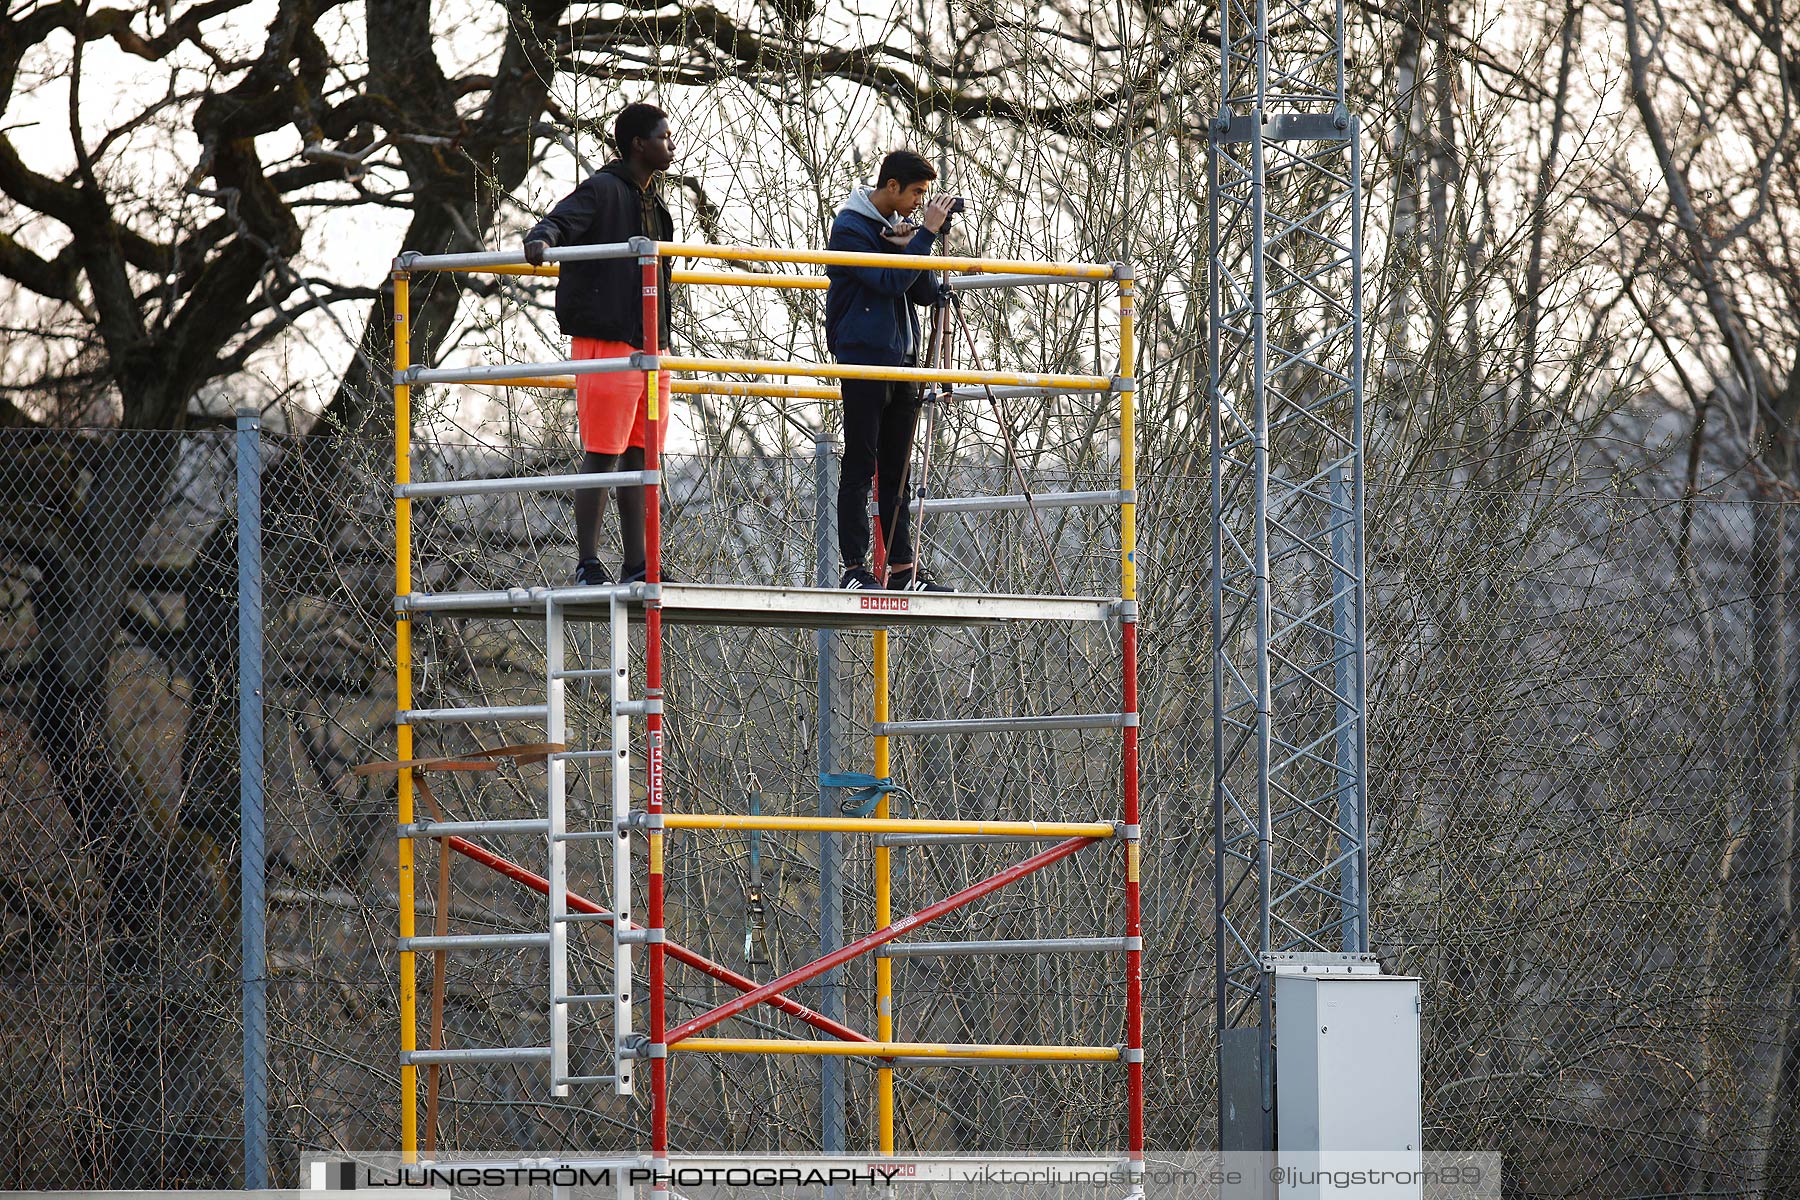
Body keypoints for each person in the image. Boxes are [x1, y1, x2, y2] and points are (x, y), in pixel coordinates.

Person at [523, 103, 676, 585]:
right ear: (638, 144)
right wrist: (540, 239)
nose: (671, 146)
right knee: (604, 451)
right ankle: (587, 562)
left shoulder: (656, 203)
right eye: (664, 137)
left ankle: (638, 564)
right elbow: (559, 221)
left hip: (652, 349)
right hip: (609, 344)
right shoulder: (604, 189)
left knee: (640, 455)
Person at [824, 150, 958, 593]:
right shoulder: (850, 228)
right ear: (892, 186)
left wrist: (918, 241)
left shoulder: (893, 231)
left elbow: (920, 291)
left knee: (897, 471)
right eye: (917, 192)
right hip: (864, 357)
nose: (921, 203)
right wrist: (919, 239)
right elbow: (886, 281)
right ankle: (854, 569)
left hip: (903, 360)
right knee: (861, 464)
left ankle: (902, 570)